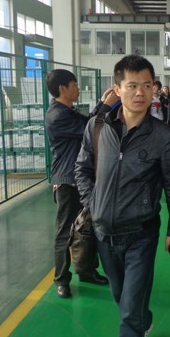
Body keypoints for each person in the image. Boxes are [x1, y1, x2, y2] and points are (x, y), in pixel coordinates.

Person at [74, 55, 170, 337]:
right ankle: (143, 320)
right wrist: (93, 204)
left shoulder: (164, 136)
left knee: (129, 307)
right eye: (132, 85)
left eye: (147, 86)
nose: (140, 92)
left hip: (141, 233)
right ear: (117, 89)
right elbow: (82, 169)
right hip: (103, 232)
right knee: (120, 295)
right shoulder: (97, 127)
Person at [45, 69, 118, 299]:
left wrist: (102, 104)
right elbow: (91, 129)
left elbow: (87, 122)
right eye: (74, 85)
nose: (78, 88)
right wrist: (106, 107)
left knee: (88, 228)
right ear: (62, 88)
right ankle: (61, 279)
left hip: (83, 178)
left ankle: (86, 271)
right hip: (68, 181)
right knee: (65, 232)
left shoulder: (68, 110)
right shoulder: (57, 116)